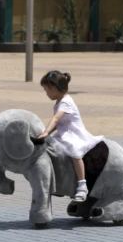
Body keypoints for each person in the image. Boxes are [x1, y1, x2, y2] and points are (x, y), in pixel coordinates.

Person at [37, 70, 103, 202]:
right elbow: (59, 123)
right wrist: (47, 133)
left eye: (46, 90)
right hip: (63, 133)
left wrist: (45, 132)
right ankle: (60, 180)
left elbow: (56, 119)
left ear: (54, 88)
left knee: (74, 152)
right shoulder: (60, 101)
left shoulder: (65, 102)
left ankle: (82, 185)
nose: (46, 93)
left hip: (73, 133)